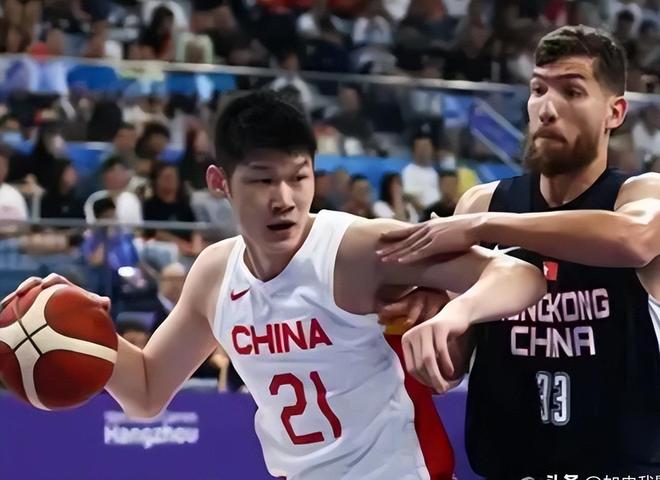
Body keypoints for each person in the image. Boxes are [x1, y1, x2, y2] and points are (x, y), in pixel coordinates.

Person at [3, 91, 546, 480]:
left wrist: (457, 312)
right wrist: (85, 326)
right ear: (220, 182)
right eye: (263, 180)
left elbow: (519, 275)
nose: (284, 199)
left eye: (298, 177)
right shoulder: (214, 274)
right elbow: (145, 392)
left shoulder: (356, 249)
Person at [378, 25, 660, 478]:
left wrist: (484, 227)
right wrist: (430, 321)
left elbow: (636, 240)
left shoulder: (640, 194)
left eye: (572, 91)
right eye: (538, 89)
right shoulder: (482, 201)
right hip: (509, 465)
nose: (547, 108)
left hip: (621, 468)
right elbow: (452, 368)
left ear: (615, 112)